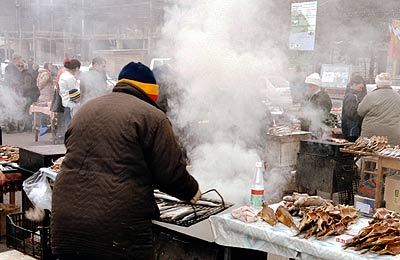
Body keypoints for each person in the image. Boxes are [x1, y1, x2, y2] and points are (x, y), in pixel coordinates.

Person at [51, 61, 200, 260]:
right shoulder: (153, 117)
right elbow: (169, 173)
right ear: (152, 93)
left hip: (65, 223)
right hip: (117, 231)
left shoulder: (86, 110)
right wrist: (191, 190)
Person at [357, 72, 400, 146]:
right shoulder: (398, 97)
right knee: (388, 155)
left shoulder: (370, 96)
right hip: (392, 134)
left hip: (371, 134)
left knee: (368, 154)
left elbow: (360, 111)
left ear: (377, 84)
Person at [299, 72, 332, 137]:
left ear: (316, 86)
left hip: (317, 126)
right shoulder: (307, 96)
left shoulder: (323, 96)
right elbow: (302, 107)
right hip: (306, 126)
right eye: (308, 86)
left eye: (310, 86)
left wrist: (310, 115)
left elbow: (324, 111)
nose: (308, 88)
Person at [341, 74, 366, 142]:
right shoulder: (352, 96)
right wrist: (361, 120)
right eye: (360, 87)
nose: (361, 89)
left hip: (350, 129)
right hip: (352, 129)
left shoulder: (350, 94)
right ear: (354, 84)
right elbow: (351, 113)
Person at [58, 58, 81, 126]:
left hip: (66, 104)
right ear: (75, 68)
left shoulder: (64, 75)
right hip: (71, 105)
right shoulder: (70, 78)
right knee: (71, 127)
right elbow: (75, 93)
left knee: (68, 127)